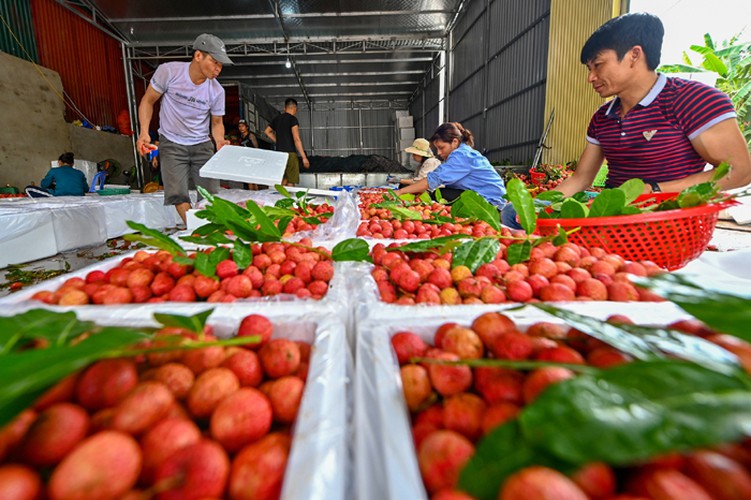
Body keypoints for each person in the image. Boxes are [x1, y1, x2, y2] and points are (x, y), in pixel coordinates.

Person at [502, 12, 751, 228]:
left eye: (598, 65)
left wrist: (653, 191)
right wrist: (532, 208)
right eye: (589, 69)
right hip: (613, 213)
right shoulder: (602, 117)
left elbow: (740, 171)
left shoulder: (694, 99)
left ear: (634, 55)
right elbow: (580, 179)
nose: (591, 77)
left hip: (667, 215)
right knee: (513, 213)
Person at [136, 33, 233, 224]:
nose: (218, 69)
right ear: (198, 56)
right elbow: (148, 101)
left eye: (221, 65)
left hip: (202, 145)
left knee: (210, 194)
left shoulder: (217, 91)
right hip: (171, 142)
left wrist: (220, 141)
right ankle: (196, 230)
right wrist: (144, 132)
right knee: (177, 193)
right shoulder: (169, 72)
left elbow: (217, 123)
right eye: (214, 62)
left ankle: (207, 228)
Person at [395, 122, 507, 207]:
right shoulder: (464, 152)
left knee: (438, 195)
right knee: (437, 194)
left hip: (491, 203)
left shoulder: (461, 155)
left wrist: (400, 192)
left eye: (441, 147)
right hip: (486, 197)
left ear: (455, 142)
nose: (438, 153)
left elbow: (433, 180)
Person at [264, 98, 310, 186]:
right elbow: (296, 139)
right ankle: (290, 198)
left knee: (282, 178)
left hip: (279, 154)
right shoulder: (293, 119)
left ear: (285, 108)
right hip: (290, 153)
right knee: (290, 180)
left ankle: (280, 198)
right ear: (295, 108)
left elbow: (267, 131)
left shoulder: (277, 119)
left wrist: (277, 141)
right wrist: (304, 157)